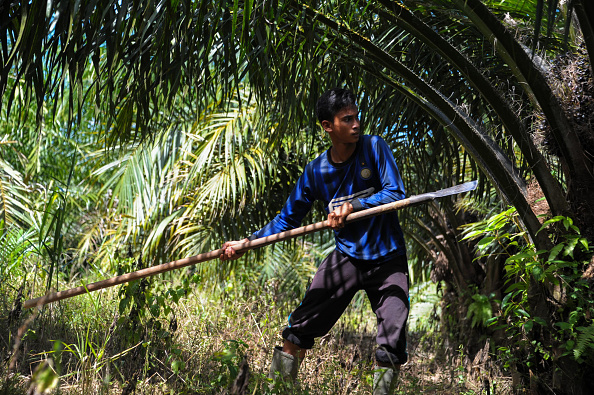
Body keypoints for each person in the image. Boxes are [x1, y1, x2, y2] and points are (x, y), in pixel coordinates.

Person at [220, 88, 409, 394]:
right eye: (347, 119)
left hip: (388, 259)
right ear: (327, 126)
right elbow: (287, 220)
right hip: (347, 257)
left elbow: (395, 193)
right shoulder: (316, 171)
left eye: (356, 117)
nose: (356, 124)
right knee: (298, 330)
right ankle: (280, 389)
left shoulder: (374, 148)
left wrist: (353, 207)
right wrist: (248, 243)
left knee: (391, 343)